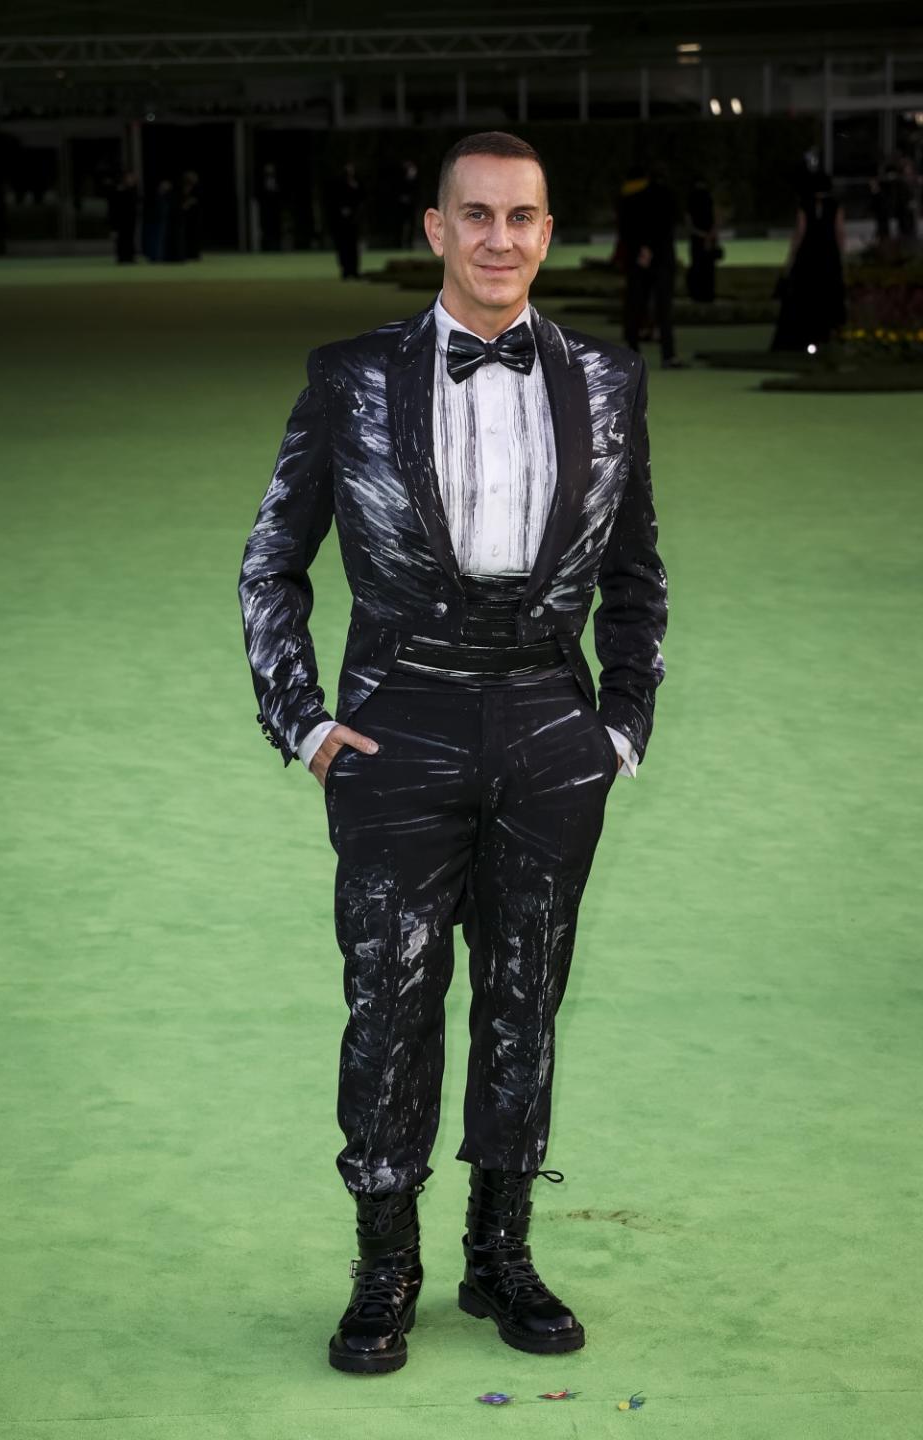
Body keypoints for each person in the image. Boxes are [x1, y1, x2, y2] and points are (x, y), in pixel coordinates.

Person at [238, 130, 668, 1375]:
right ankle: (386, 1267)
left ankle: (500, 1253)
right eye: (473, 216)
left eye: (521, 217)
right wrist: (306, 724)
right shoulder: (350, 379)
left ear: (547, 231)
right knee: (389, 1002)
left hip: (548, 723)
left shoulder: (607, 377)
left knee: (527, 999)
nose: (498, 239)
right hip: (401, 721)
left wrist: (621, 727)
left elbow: (637, 571)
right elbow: (274, 561)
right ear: (436, 230)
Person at [617, 163, 685, 368]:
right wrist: (650, 249)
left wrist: (640, 250)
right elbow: (666, 225)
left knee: (635, 304)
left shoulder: (627, 197)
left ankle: (631, 350)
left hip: (637, 258)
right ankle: (668, 354)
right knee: (663, 308)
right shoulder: (664, 195)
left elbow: (625, 229)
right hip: (661, 258)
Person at [771, 168, 846, 352]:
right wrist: (842, 259)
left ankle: (801, 339)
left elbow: (799, 234)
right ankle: (826, 337)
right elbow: (840, 233)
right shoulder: (835, 206)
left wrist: (790, 259)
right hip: (829, 257)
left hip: (808, 257)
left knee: (803, 297)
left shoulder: (805, 205)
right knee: (828, 296)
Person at [685, 176, 719, 303]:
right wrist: (709, 236)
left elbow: (689, 224)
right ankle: (707, 295)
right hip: (706, 239)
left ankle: (699, 295)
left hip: (698, 240)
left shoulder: (692, 199)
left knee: (699, 267)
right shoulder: (708, 198)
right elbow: (715, 220)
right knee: (707, 269)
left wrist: (703, 236)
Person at [330, 161, 364, 278]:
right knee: (343, 245)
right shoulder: (338, 183)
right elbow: (334, 199)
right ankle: (345, 270)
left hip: (353, 220)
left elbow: (361, 199)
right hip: (341, 221)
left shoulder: (357, 183)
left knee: (353, 246)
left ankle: (354, 270)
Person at [109, 171, 139, 264]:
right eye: (129, 178)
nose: (131, 180)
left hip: (130, 219)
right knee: (121, 238)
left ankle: (130, 257)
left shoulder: (134, 190)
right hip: (121, 219)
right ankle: (121, 257)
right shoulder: (119, 190)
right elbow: (114, 206)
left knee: (130, 238)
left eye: (132, 178)